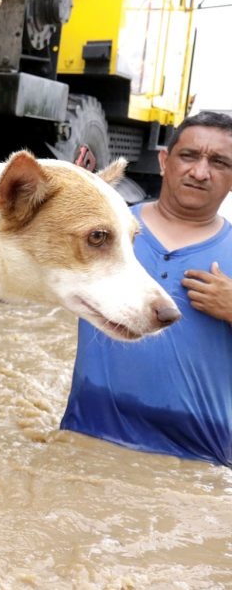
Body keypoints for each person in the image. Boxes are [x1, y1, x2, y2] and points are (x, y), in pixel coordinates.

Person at [62, 110, 232, 468]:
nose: (200, 172)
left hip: (198, 461)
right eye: (189, 156)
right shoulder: (100, 230)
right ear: (164, 161)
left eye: (219, 162)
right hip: (84, 439)